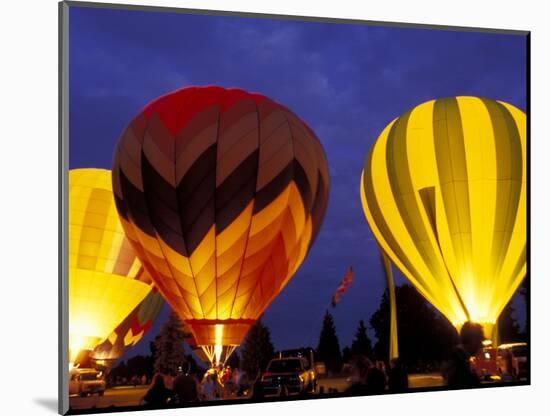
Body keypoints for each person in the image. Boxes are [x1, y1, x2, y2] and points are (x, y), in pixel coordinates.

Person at [444, 321, 484, 388]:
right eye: (480, 339)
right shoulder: (459, 363)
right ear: (473, 339)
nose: (481, 345)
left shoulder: (458, 357)